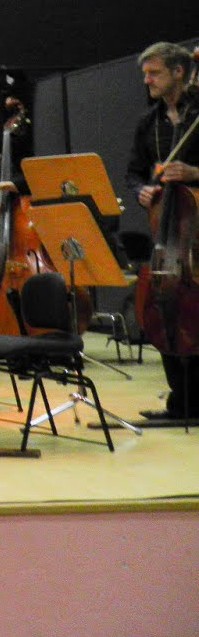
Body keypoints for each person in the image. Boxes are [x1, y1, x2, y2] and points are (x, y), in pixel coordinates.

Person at [126, 41, 199, 421]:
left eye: (154, 73)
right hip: (168, 237)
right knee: (165, 306)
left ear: (179, 72)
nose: (147, 80)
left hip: (196, 236)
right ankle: (181, 399)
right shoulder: (148, 122)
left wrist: (195, 174)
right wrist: (143, 190)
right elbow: (133, 173)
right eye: (145, 73)